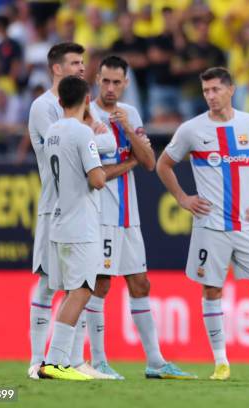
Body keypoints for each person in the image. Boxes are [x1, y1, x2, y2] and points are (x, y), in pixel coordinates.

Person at [156, 66, 249, 381]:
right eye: (206, 91)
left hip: (247, 225)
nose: (210, 96)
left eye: (216, 89)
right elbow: (163, 164)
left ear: (231, 90)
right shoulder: (192, 129)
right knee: (212, 290)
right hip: (210, 226)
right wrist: (183, 198)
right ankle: (221, 362)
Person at [86, 55, 196, 380]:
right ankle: (98, 360)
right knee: (100, 285)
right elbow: (96, 173)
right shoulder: (86, 116)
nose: (109, 87)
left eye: (116, 82)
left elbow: (150, 161)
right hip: (100, 214)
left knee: (140, 283)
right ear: (96, 80)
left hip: (128, 215)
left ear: (126, 83)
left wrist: (128, 132)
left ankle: (156, 362)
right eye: (105, 81)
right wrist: (129, 161)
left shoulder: (130, 113)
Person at [27, 42, 116, 380]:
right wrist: (92, 130)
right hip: (59, 208)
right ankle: (43, 360)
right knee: (56, 285)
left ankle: (71, 360)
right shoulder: (42, 108)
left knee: (71, 287)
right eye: (75, 62)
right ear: (56, 68)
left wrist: (92, 128)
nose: (81, 67)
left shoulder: (60, 122)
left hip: (66, 210)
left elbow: (100, 143)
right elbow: (99, 150)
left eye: (82, 62)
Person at [38, 75, 106, 380]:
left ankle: (59, 362)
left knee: (70, 292)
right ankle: (54, 362)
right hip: (80, 225)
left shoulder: (52, 131)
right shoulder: (82, 133)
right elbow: (97, 179)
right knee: (81, 292)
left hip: (58, 220)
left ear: (60, 101)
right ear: (87, 99)